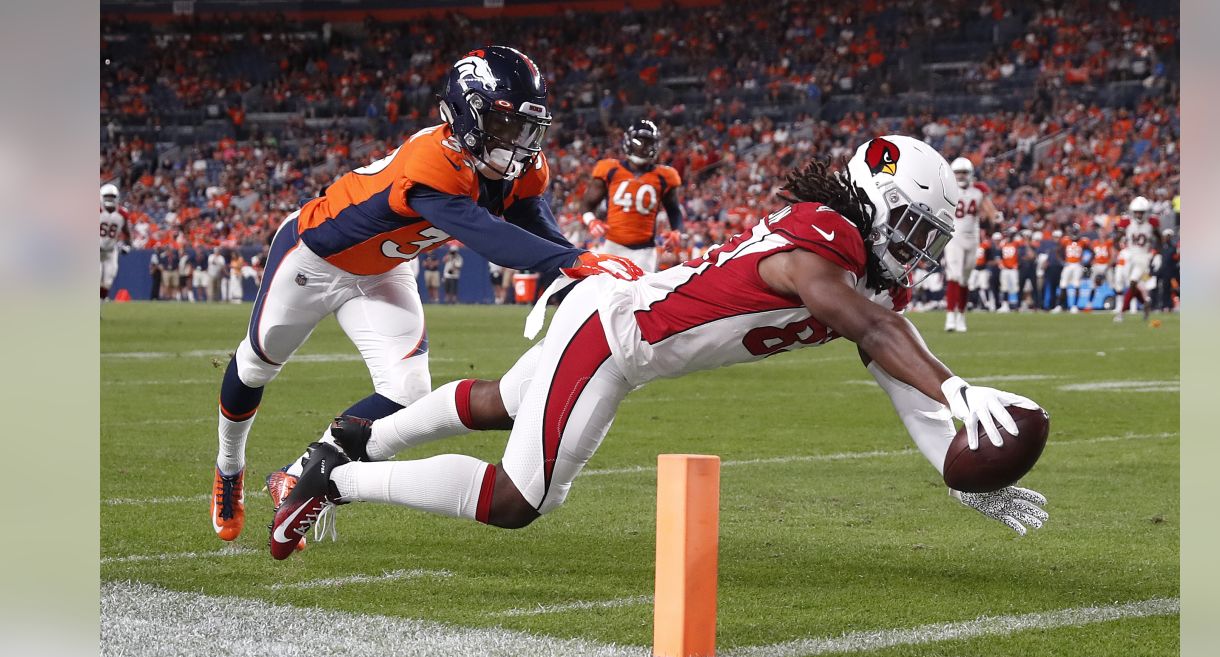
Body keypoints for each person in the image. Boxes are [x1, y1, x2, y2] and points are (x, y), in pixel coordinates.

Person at [268, 136, 1049, 561]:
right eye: (912, 227)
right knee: (519, 500)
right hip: (613, 338)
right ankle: (337, 484)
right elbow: (871, 329)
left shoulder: (871, 280)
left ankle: (340, 448)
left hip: (615, 319)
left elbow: (892, 367)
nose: (915, 251)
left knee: (507, 402)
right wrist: (955, 387)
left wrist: (957, 468)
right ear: (875, 205)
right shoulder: (825, 238)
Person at [211, 46, 643, 543]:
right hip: (312, 259)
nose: (518, 142)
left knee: (409, 392)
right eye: (504, 126)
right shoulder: (432, 159)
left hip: (384, 271)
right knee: (255, 366)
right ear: (467, 115)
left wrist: (573, 262)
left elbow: (528, 216)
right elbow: (485, 235)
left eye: (525, 128)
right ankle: (228, 468)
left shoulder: (516, 166)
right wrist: (571, 261)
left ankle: (302, 472)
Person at [578, 119, 684, 273]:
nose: (645, 147)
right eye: (641, 141)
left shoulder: (664, 176)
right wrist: (591, 221)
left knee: (639, 295)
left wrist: (676, 231)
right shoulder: (610, 169)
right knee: (606, 293)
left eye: (649, 142)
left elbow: (674, 210)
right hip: (612, 246)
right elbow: (586, 204)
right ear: (629, 142)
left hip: (644, 251)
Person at [943, 157, 998, 332]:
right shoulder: (948, 189)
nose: (960, 176)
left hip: (973, 238)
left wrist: (995, 216)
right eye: (957, 172)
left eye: (963, 172)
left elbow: (989, 209)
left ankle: (961, 316)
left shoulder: (979, 190)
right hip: (953, 237)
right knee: (954, 276)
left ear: (970, 173)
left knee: (965, 279)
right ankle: (950, 316)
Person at [99, 183, 132, 301]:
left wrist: (127, 245)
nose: (109, 200)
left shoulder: (122, 214)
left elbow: (127, 233)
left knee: (108, 280)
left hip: (111, 251)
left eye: (112, 197)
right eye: (107, 197)